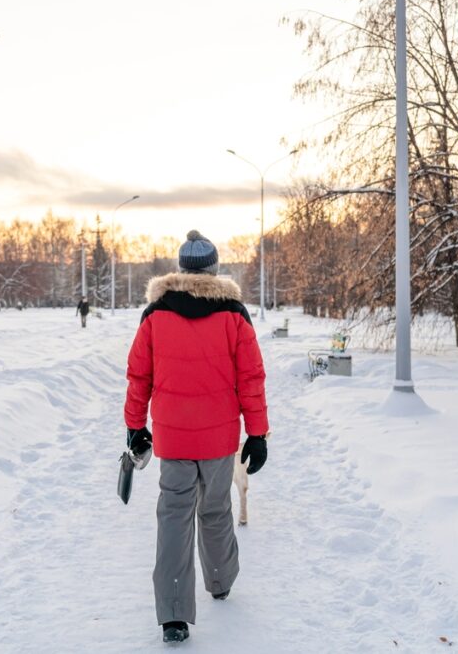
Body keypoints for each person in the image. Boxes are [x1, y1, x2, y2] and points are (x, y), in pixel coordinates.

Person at [124, 230, 269, 644]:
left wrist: (136, 425)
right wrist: (256, 433)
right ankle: (221, 581)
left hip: (173, 438)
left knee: (173, 517)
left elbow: (139, 376)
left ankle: (173, 614)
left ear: (182, 269)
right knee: (216, 508)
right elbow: (251, 378)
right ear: (213, 269)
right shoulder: (234, 314)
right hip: (220, 438)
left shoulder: (155, 314)